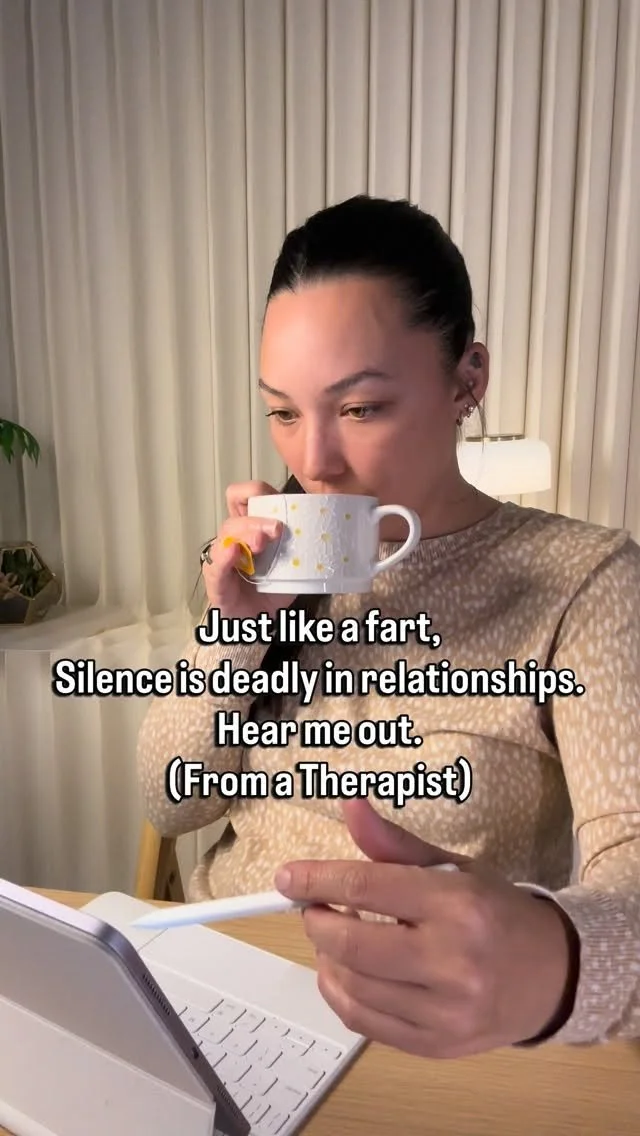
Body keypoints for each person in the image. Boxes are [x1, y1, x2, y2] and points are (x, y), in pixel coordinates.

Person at [137, 195, 640, 1057]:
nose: (313, 462)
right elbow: (170, 803)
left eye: (361, 408)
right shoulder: (277, 564)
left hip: (427, 1036)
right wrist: (236, 630)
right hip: (218, 990)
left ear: (467, 381)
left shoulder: (583, 581)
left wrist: (550, 965)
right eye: (284, 412)